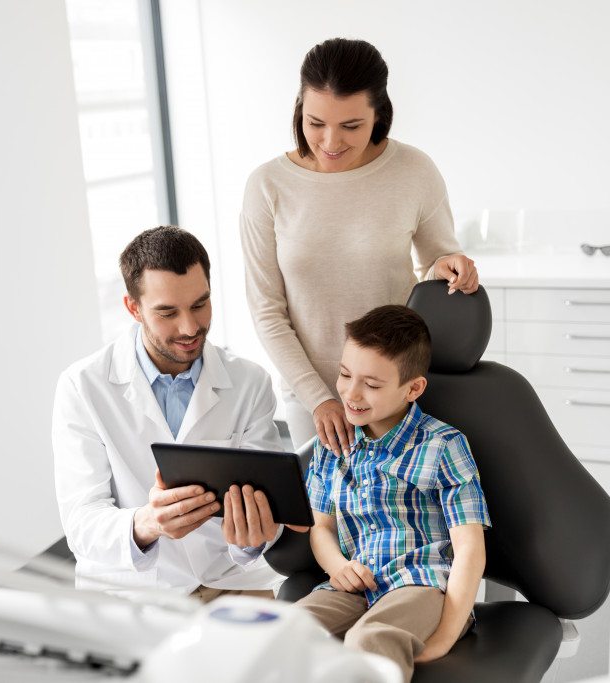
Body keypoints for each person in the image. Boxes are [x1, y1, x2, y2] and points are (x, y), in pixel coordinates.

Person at [240, 37, 481, 456]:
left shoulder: (413, 171)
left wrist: (450, 266)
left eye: (350, 126)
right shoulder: (267, 186)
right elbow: (267, 311)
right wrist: (320, 398)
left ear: (379, 114)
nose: (331, 141)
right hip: (312, 398)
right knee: (327, 519)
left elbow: (437, 261)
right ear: (300, 109)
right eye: (315, 123)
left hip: (396, 394)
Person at [53, 225, 303, 601]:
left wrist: (252, 538)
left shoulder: (249, 381)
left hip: (230, 580)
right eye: (167, 312)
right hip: (132, 591)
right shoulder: (82, 386)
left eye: (200, 305)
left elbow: (268, 514)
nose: (189, 328)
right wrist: (147, 523)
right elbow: (81, 523)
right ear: (133, 308)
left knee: (284, 653)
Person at [295, 305, 490, 682]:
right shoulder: (331, 445)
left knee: (368, 640)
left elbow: (469, 549)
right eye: (345, 374)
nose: (351, 393)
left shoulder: (443, 446)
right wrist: (338, 567)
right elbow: (321, 528)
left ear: (413, 388)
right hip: (354, 585)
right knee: (286, 631)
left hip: (420, 583)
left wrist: (446, 636)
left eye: (371, 384)